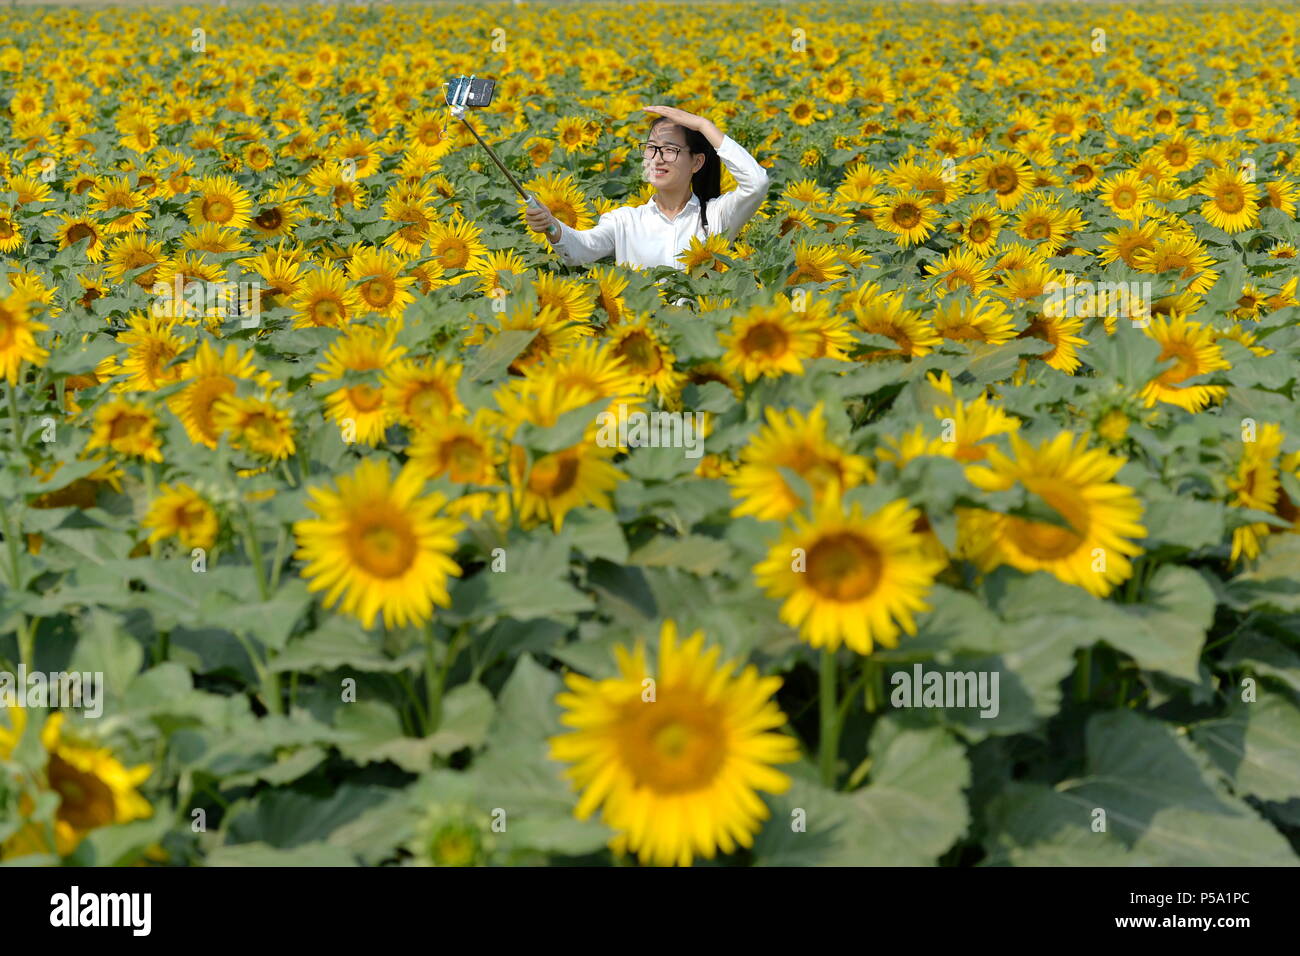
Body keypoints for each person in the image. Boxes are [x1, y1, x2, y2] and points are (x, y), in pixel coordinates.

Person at [524, 105, 769, 271]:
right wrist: (551, 225)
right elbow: (582, 249)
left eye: (670, 150)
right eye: (651, 148)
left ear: (696, 162)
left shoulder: (716, 217)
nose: (658, 158)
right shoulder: (625, 221)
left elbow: (756, 183)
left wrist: (704, 126)